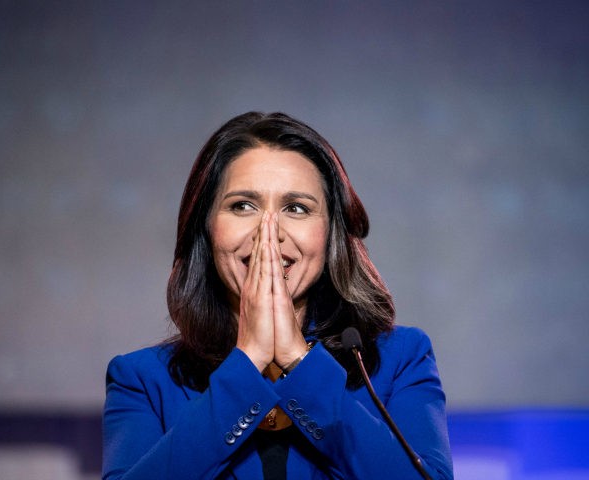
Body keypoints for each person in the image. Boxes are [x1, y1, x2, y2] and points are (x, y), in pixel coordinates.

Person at [102, 112, 453, 480]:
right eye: (243, 206)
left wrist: (298, 359)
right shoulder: (142, 379)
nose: (268, 231)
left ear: (330, 233)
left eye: (296, 208)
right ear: (206, 228)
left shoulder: (400, 360)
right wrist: (248, 361)